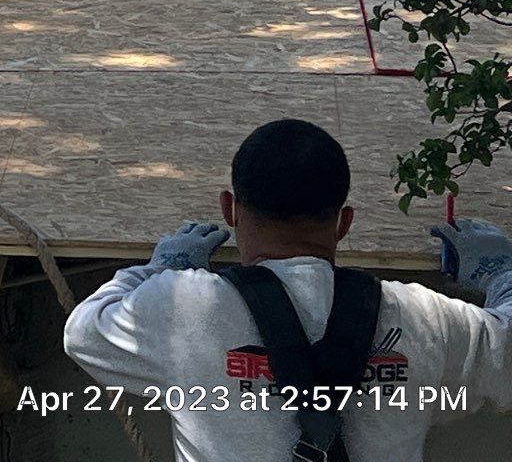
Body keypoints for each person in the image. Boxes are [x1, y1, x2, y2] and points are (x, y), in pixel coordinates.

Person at [64, 118, 512, 461]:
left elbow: (83, 332)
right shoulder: (424, 319)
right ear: (345, 222)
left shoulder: (182, 310)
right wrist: (499, 270)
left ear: (230, 210)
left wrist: (162, 268)